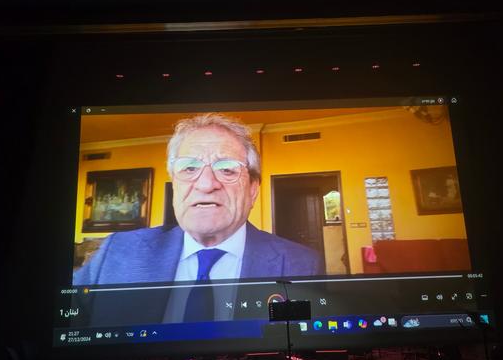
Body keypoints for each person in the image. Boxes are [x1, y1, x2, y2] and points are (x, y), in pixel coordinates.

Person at [73, 113, 323, 295]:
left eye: (227, 169)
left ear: (252, 189)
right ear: (175, 184)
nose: (206, 184)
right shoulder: (117, 252)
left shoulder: (303, 265)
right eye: (189, 168)